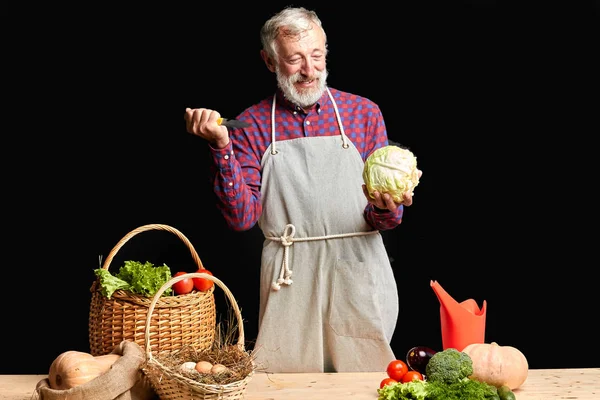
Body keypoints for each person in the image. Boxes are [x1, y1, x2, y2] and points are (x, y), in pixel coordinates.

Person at [183, 6, 422, 373]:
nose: (310, 70)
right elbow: (242, 219)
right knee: (288, 383)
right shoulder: (250, 124)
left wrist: (388, 207)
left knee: (365, 378)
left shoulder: (363, 113)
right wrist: (221, 146)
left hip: (357, 270)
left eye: (317, 55)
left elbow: (383, 220)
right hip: (289, 277)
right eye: (295, 59)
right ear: (269, 61)